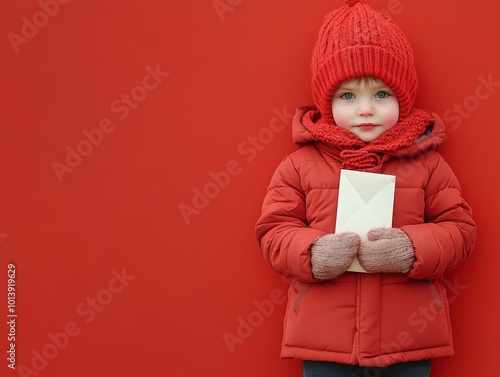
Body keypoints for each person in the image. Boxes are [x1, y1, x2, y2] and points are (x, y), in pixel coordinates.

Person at [254, 1, 477, 376]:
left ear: (402, 100)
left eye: (381, 95)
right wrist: (313, 253)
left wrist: (410, 248)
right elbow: (273, 233)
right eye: (348, 96)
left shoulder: (427, 163)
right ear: (327, 103)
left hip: (408, 342)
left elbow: (460, 230)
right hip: (327, 345)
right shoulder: (300, 165)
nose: (366, 110)